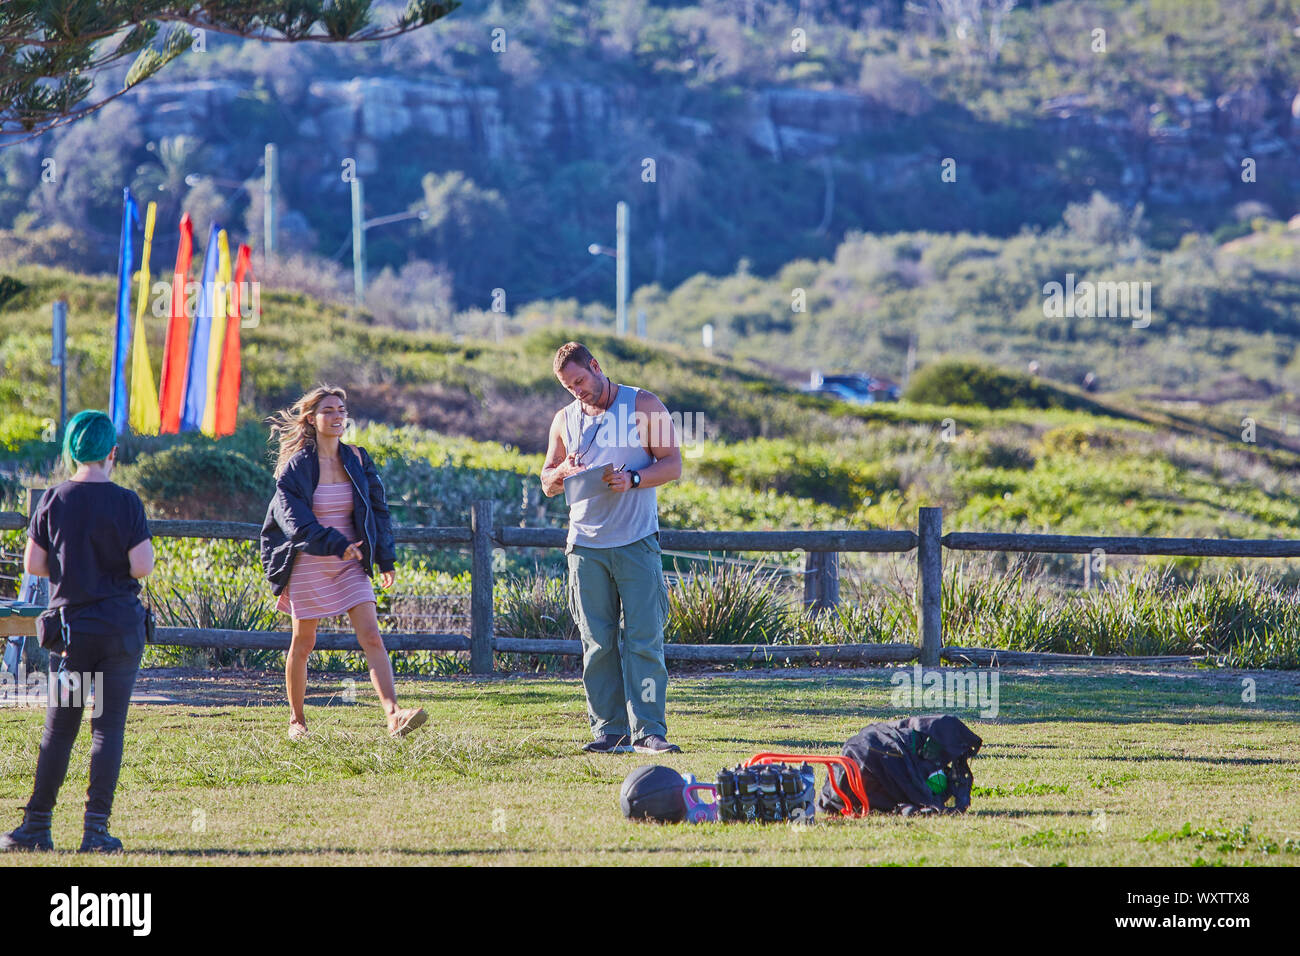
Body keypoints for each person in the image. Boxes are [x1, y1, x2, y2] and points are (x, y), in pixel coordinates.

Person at [1, 411, 154, 853]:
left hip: (73, 635)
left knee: (60, 729)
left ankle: (37, 826)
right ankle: (95, 830)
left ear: (70, 449)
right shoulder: (126, 502)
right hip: (121, 631)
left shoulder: (54, 499)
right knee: (107, 730)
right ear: (112, 453)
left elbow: (33, 564)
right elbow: (142, 565)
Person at [260, 384, 426, 739]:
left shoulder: (358, 458)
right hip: (310, 559)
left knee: (372, 636)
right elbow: (295, 521)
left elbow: (378, 510)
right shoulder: (296, 467)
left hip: (351, 560)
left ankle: (394, 715)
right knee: (304, 642)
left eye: (341, 410)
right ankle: (297, 721)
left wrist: (385, 558)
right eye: (329, 411)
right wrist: (335, 544)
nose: (337, 417)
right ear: (311, 419)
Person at [540, 342, 683, 754]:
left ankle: (650, 732)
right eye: (568, 387)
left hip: (636, 541)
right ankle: (610, 731)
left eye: (580, 381)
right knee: (597, 643)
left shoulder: (642, 404)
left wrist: (634, 480)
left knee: (644, 640)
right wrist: (564, 470)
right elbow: (547, 482)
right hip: (584, 546)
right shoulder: (564, 419)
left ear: (596, 366)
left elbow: (672, 463)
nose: (577, 392)